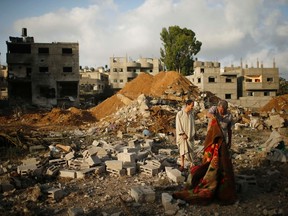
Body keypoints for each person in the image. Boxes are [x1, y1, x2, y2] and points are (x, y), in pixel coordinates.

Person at [173, 100, 237, 205]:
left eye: (222, 110)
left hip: (222, 142)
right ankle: (206, 177)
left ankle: (220, 183)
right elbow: (208, 113)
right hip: (211, 140)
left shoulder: (229, 116)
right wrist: (214, 117)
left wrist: (230, 141)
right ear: (218, 107)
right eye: (219, 109)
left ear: (225, 109)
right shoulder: (214, 109)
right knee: (208, 160)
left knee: (222, 163)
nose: (220, 111)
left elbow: (229, 130)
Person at [175, 99, 196, 171]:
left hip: (189, 135)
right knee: (182, 151)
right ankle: (182, 165)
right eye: (191, 105)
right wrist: (182, 133)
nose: (192, 107)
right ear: (187, 105)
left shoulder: (191, 114)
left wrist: (192, 134)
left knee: (191, 150)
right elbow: (178, 124)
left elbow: (193, 125)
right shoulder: (180, 114)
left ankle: (191, 164)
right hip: (182, 136)